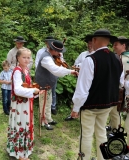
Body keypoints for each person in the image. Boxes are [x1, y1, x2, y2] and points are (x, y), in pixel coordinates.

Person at [71, 29, 124, 160]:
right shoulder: (116, 58)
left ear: (94, 40)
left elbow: (83, 88)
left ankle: (84, 158)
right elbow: (120, 82)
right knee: (101, 133)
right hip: (108, 104)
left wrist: (76, 108)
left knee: (87, 134)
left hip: (90, 105)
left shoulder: (91, 59)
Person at [35, 40, 78, 130]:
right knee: (43, 103)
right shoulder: (46, 58)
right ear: (53, 50)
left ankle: (48, 119)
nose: (60, 53)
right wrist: (70, 71)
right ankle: (43, 122)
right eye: (59, 51)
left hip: (48, 84)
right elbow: (56, 70)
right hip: (43, 84)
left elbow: (59, 66)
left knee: (48, 102)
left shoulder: (51, 56)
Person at [7, 48, 39, 160]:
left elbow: (27, 87)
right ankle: (20, 154)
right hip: (20, 105)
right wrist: (33, 91)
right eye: (24, 57)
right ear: (18, 58)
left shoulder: (25, 70)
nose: (26, 60)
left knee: (25, 124)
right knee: (21, 125)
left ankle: (23, 149)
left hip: (25, 103)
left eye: (28, 57)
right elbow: (17, 90)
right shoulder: (17, 71)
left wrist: (35, 91)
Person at [65, 35, 94, 121]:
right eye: (88, 43)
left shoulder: (96, 56)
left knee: (88, 98)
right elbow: (75, 64)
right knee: (78, 94)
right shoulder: (83, 54)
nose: (89, 45)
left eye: (91, 43)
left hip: (91, 81)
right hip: (80, 78)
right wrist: (78, 67)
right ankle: (74, 114)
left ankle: (86, 116)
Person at [35, 36, 58, 115]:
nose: (49, 44)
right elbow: (37, 63)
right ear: (46, 43)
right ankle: (43, 116)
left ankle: (52, 108)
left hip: (53, 76)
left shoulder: (56, 51)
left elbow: (60, 63)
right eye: (48, 42)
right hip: (43, 76)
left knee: (52, 93)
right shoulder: (41, 52)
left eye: (51, 42)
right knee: (43, 96)